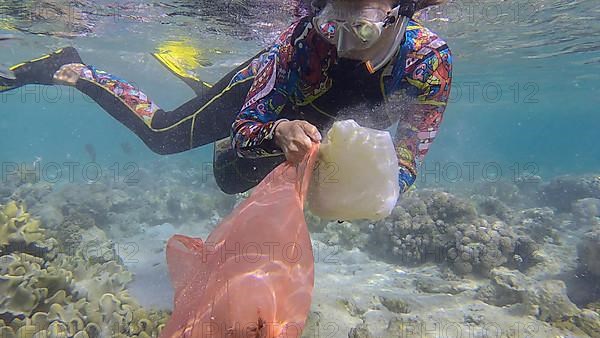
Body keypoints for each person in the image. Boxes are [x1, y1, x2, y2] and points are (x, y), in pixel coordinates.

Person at [0, 0, 452, 195]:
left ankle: (207, 93)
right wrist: (275, 129)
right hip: (258, 101)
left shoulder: (429, 62)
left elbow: (409, 156)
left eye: (364, 27)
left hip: (310, 124)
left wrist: (380, 190)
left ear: (401, 11)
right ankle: (73, 67)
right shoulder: (298, 43)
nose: (344, 44)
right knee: (164, 136)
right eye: (333, 24)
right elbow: (247, 130)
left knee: (232, 184)